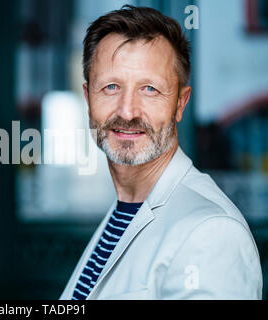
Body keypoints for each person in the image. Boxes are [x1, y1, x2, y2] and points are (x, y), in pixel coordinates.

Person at [60, 5, 263, 300]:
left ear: (181, 103)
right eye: (112, 87)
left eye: (150, 89)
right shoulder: (123, 211)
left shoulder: (212, 234)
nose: (127, 111)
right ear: (89, 97)